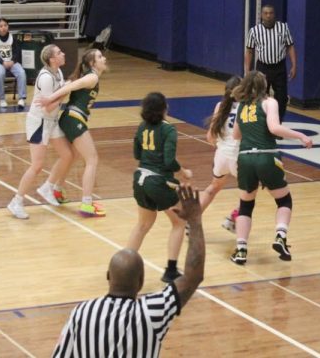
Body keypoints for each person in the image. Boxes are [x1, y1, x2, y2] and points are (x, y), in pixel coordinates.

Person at [52, 185, 205, 358]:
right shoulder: (152, 312)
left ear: (108, 277)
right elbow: (194, 276)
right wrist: (195, 221)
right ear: (140, 282)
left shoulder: (82, 312)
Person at [230, 70, 312, 266]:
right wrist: (300, 135)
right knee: (284, 200)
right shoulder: (269, 102)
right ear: (264, 86)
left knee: (246, 206)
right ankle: (280, 236)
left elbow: (236, 135)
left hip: (245, 158)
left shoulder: (241, 106)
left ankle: (241, 250)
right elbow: (274, 128)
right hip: (266, 156)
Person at [126, 92, 194, 283]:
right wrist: (183, 172)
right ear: (164, 109)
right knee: (179, 223)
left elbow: (136, 154)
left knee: (142, 225)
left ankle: (121, 268)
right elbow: (169, 160)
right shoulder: (168, 130)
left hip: (140, 179)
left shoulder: (141, 127)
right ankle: (171, 270)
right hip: (158, 181)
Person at [35, 48, 108, 218]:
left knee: (72, 156)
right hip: (74, 119)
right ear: (92, 63)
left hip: (70, 118)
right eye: (99, 56)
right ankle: (87, 204)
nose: (103, 58)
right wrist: (51, 99)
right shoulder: (92, 76)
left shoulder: (90, 76)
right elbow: (71, 86)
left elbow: (70, 84)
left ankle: (57, 190)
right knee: (92, 159)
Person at [7, 44, 75, 219]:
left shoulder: (58, 72)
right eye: (59, 52)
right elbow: (49, 106)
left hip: (52, 121)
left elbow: (54, 101)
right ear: (52, 59)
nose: (63, 53)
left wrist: (64, 89)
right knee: (37, 165)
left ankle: (48, 186)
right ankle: (17, 201)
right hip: (39, 122)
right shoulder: (45, 77)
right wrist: (65, 91)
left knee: (67, 155)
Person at [200, 76, 242, 233]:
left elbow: (210, 137)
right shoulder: (246, 107)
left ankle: (192, 222)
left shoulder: (220, 105)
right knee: (249, 193)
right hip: (238, 157)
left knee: (213, 188)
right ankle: (232, 219)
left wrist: (221, 146)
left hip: (221, 157)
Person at [244, 4, 297, 122]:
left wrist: (294, 65)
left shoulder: (283, 28)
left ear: (275, 15)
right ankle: (262, 122)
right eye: (266, 13)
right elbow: (249, 51)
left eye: (271, 13)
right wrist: (247, 70)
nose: (268, 16)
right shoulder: (254, 31)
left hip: (279, 67)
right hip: (263, 67)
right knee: (261, 97)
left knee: (282, 97)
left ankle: (278, 122)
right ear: (261, 15)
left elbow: (290, 46)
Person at [0, 18, 27, 108]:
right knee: (0, 74)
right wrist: (2, 62)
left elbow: (17, 52)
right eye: (1, 26)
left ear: (8, 27)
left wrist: (13, 61)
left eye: (5, 25)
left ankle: (21, 98)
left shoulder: (13, 38)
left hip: (11, 62)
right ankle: (2, 99)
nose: (3, 28)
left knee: (21, 72)